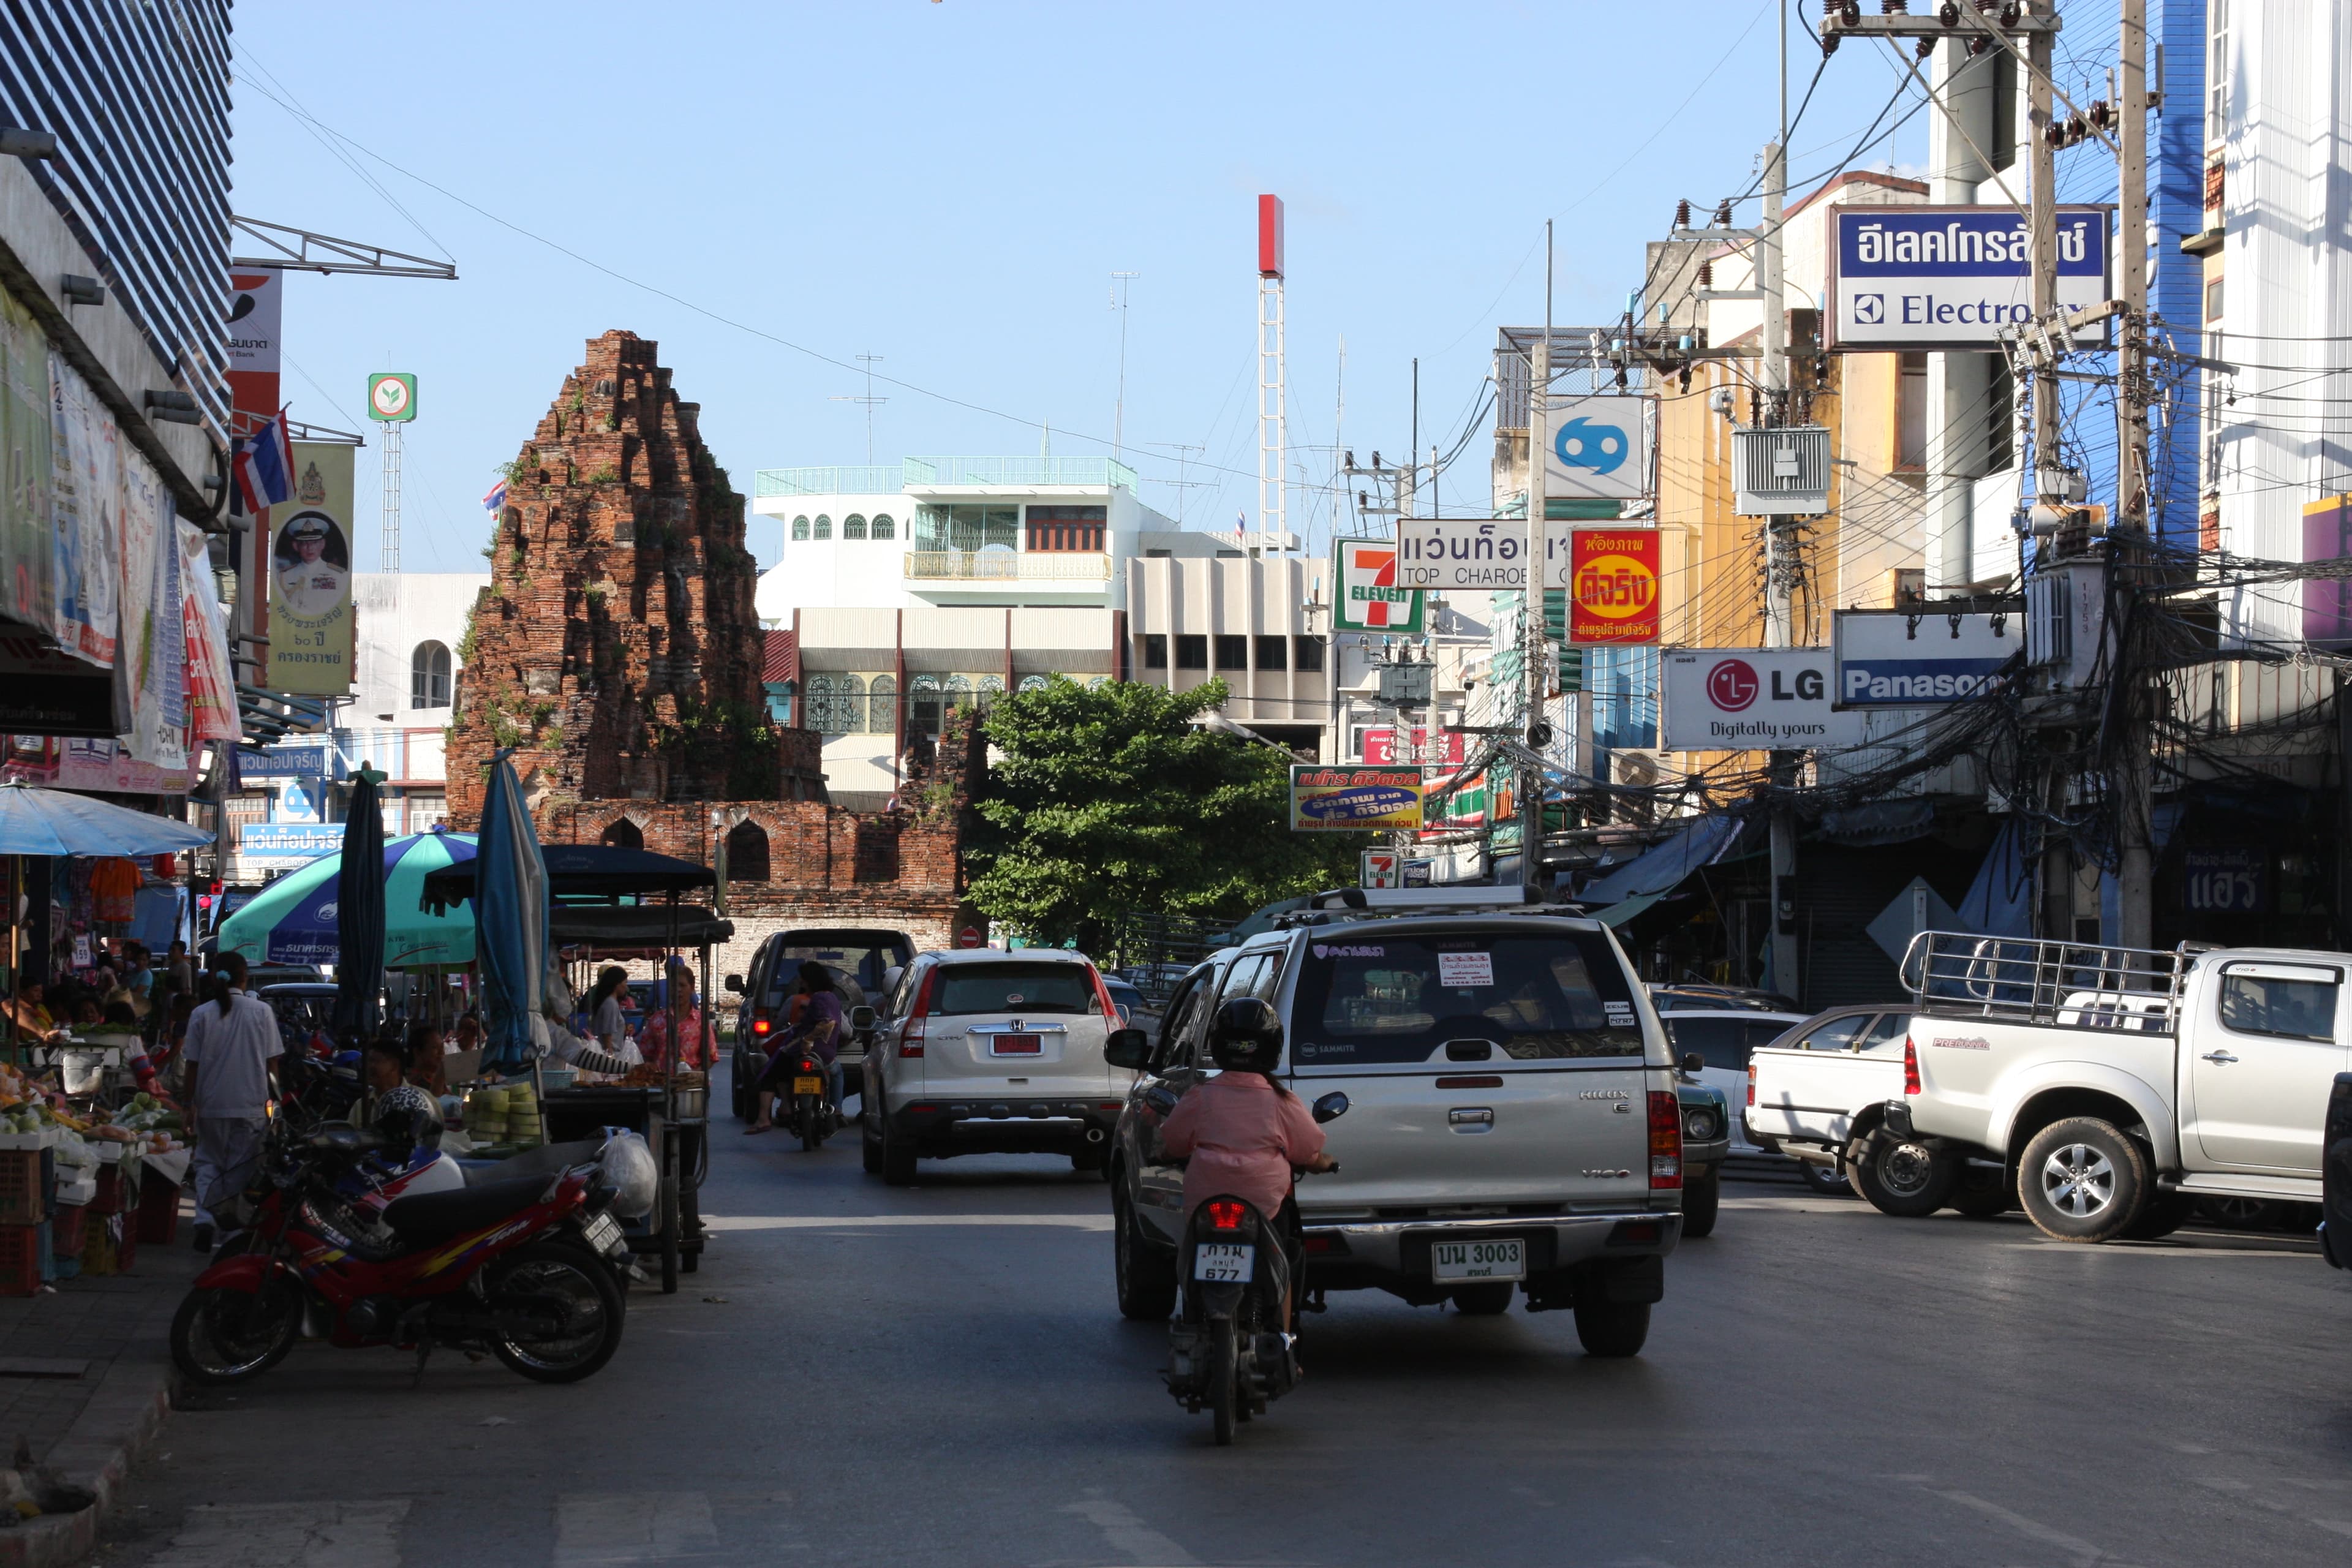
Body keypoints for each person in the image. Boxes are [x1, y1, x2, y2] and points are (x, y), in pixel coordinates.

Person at [1157, 998, 1337, 1332]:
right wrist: (1324, 1163)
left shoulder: (1201, 1096)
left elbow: (1172, 1142)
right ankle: (1283, 1339)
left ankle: (1194, 1319)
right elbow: (1308, 1151)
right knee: (1282, 1264)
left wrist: (1168, 1154)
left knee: (1190, 1248)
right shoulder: (1281, 1100)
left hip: (1205, 1201)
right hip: (1265, 1204)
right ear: (1273, 1048)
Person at [182, 952, 284, 1252]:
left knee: (208, 1164)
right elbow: (272, 1066)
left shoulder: (201, 1014)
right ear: (245, 977)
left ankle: (204, 1220)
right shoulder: (261, 1011)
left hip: (211, 1103)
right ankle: (231, 1233)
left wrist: (188, 1105)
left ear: (214, 977)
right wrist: (275, 1108)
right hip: (251, 1103)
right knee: (238, 1169)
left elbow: (192, 1065)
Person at [746, 962, 843, 1134]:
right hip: (828, 1053)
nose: (801, 983)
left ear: (810, 981)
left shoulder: (819, 998)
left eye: (803, 980)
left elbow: (826, 1023)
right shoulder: (832, 998)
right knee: (836, 1071)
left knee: (769, 1074)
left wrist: (807, 1039)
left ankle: (764, 1118)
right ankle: (836, 1108)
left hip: (809, 1049)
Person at [639, 959, 714, 1072]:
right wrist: (651, 1067)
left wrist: (694, 1075)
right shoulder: (657, 1020)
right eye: (674, 986)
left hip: (690, 1085)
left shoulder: (701, 1021)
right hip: (662, 1083)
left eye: (683, 985)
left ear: (692, 988)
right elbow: (646, 1053)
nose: (678, 990)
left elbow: (710, 1057)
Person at [276, 515, 345, 616]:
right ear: (296, 546)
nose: (310, 548)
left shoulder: (338, 575)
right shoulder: (284, 576)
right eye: (304, 543)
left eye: (315, 542)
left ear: (322, 544)